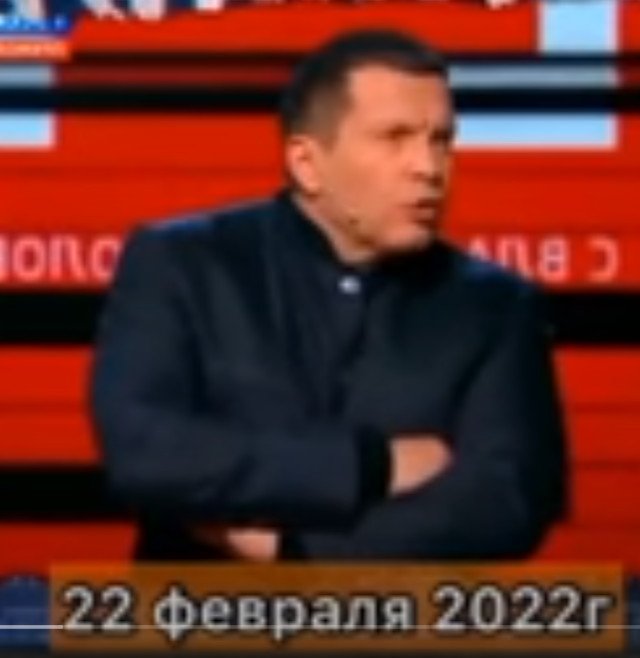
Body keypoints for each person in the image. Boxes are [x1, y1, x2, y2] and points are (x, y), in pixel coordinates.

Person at [91, 29, 568, 562]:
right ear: (307, 163)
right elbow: (146, 454)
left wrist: (295, 551)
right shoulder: (182, 263)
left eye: (441, 140)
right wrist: (372, 464)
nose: (429, 168)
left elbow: (505, 503)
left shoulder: (497, 307)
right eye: (395, 138)